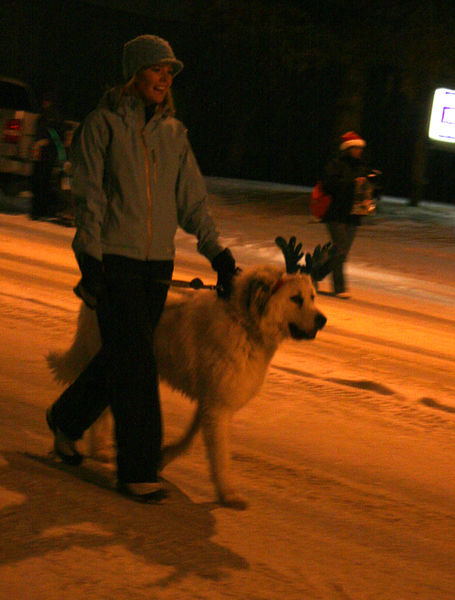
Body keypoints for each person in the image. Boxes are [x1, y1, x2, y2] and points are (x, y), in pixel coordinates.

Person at [46, 34, 238, 503]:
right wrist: (89, 258)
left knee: (119, 358)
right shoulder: (103, 126)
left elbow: (191, 201)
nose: (164, 78)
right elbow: (89, 199)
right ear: (135, 74)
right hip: (114, 262)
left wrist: (218, 253)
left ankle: (66, 421)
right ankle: (138, 466)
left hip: (157, 267)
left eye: (169, 72)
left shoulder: (174, 135)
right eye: (156, 69)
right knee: (137, 364)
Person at [320, 131, 369, 299]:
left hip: (354, 215)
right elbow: (328, 185)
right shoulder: (336, 164)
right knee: (340, 250)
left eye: (360, 148)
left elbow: (366, 191)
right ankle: (339, 287)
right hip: (336, 213)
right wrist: (351, 183)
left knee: (340, 252)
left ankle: (312, 274)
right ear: (348, 149)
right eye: (356, 148)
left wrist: (371, 184)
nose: (359, 151)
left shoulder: (361, 167)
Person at [30, 92, 67, 220]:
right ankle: (38, 210)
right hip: (42, 154)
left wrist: (45, 143)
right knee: (39, 182)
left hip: (47, 155)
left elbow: (57, 137)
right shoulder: (45, 116)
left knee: (42, 182)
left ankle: (40, 211)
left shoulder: (52, 117)